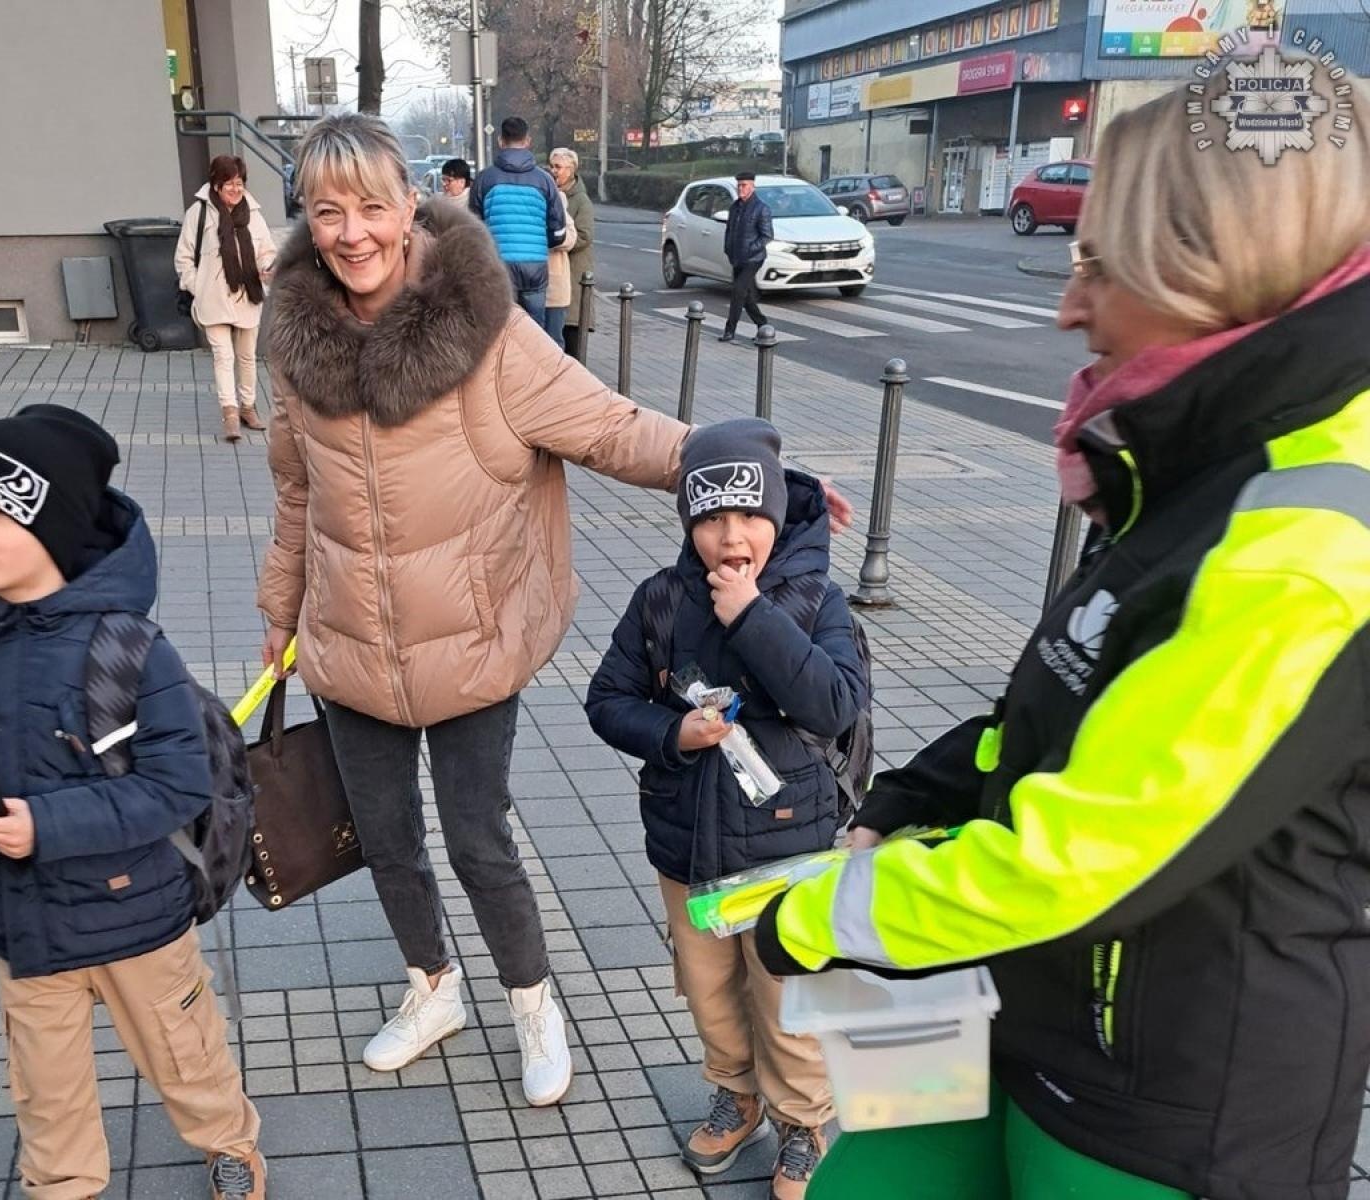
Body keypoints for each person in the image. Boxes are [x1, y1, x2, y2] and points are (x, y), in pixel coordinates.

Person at [754, 72, 1370, 1200]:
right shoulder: (1193, 462)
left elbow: (1088, 852)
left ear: (1205, 270)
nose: (1066, 305)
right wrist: (920, 791)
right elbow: (1079, 708)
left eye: (1099, 264)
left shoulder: (1308, 539)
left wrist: (817, 918)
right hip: (1020, 1017)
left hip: (1169, 1115)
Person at [258, 111, 688, 1109]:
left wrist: (736, 469)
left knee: (476, 838)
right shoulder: (295, 344)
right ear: (308, 218)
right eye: (328, 212)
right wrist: (280, 613)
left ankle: (532, 1001)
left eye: (371, 207)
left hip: (473, 637)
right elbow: (294, 493)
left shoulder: (487, 334)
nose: (351, 233)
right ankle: (432, 989)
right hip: (349, 642)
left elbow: (610, 427)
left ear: (410, 205)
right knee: (385, 839)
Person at [0, 406, 265, 1200]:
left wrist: (44, 825)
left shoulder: (129, 648)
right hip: (18, 913)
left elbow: (176, 785)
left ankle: (229, 1144)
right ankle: (61, 1183)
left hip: (136, 914)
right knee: (43, 1083)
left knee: (184, 1051)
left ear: (54, 529)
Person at [586, 418, 869, 1200]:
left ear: (776, 518)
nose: (731, 535)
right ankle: (735, 1093)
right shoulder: (661, 600)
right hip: (688, 845)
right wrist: (672, 733)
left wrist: (750, 615)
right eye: (711, 517)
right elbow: (607, 699)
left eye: (749, 515)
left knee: (785, 996)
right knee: (708, 987)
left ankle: (802, 1122)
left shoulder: (814, 600)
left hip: (789, 848)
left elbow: (834, 702)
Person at [176, 155, 278, 442]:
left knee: (247, 357)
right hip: (213, 298)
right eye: (229, 183)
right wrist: (198, 286)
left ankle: (248, 407)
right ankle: (230, 413)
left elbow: (267, 251)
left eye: (239, 183)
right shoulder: (198, 213)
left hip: (248, 295)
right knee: (224, 356)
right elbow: (183, 257)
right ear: (216, 185)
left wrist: (267, 268)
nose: (235, 189)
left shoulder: (253, 213)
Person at [469, 116, 567, 328]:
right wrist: (540, 243)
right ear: (528, 141)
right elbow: (559, 232)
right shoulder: (545, 180)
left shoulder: (485, 179)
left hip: (498, 268)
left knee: (499, 331)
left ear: (500, 141)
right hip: (535, 268)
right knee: (534, 332)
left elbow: (473, 229)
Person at [549, 147, 596, 359]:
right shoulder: (551, 194)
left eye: (558, 167)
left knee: (572, 339)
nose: (553, 171)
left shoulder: (581, 200)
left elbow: (585, 235)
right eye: (552, 166)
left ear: (571, 170)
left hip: (574, 275)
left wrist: (559, 242)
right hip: (557, 277)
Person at [720, 171, 771, 343]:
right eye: (739, 185)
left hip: (753, 259)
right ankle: (763, 324)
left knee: (738, 291)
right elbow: (729, 231)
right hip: (737, 257)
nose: (741, 189)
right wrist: (728, 249)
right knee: (746, 296)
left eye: (744, 185)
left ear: (752, 187)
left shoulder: (761, 208)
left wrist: (750, 249)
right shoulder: (734, 207)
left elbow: (767, 236)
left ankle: (729, 330)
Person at [544, 174, 579, 349]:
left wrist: (549, 238)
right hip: (529, 284)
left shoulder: (559, 205)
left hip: (554, 290)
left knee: (553, 341)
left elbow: (571, 238)